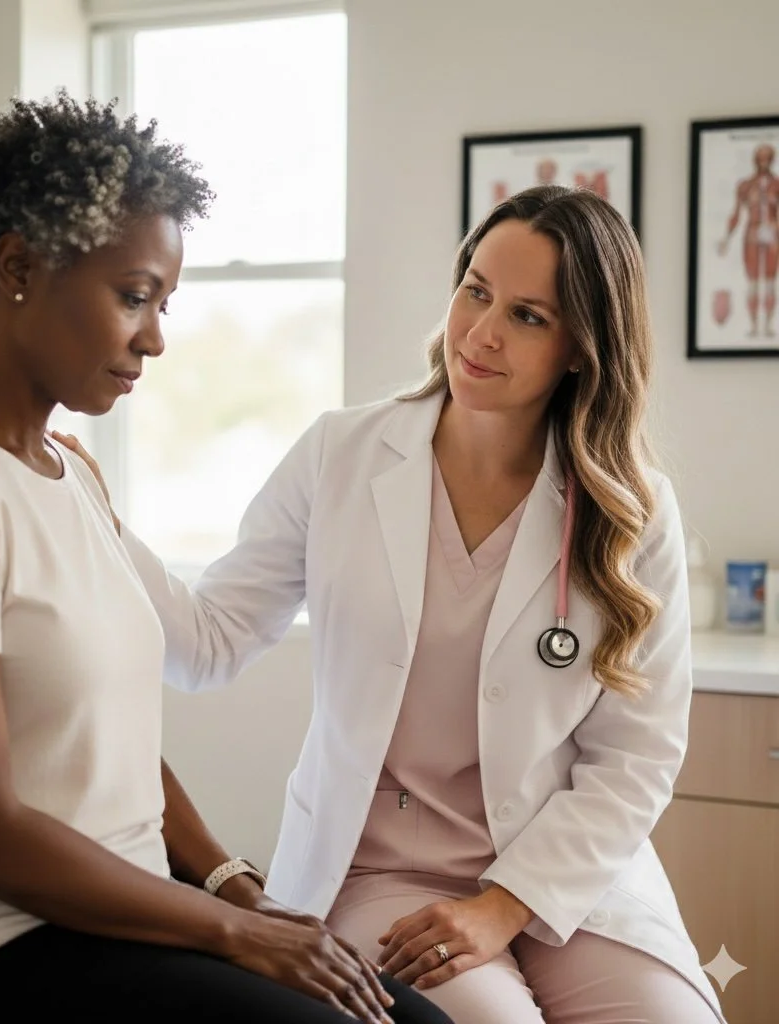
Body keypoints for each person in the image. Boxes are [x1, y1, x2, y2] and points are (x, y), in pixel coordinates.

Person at [0, 92, 455, 1024]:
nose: (154, 337)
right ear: (19, 267)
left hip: (95, 917)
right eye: (134, 296)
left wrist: (236, 886)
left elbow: (106, 748)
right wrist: (230, 934)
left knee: (416, 1022)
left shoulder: (66, 477)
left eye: (163, 302)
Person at [60, 185, 727, 1023]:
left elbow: (637, 758)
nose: (480, 333)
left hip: (570, 879)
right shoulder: (342, 455)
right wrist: (99, 519)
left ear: (581, 350)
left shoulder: (630, 508)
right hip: (382, 873)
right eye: (475, 290)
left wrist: (505, 906)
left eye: (527, 316)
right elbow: (206, 644)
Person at [717, 142, 779, 337]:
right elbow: (736, 214)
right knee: (753, 282)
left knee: (769, 282)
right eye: (760, 158)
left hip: (771, 234)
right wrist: (726, 238)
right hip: (752, 234)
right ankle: (753, 325)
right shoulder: (746, 186)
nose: (763, 162)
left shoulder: (776, 185)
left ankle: (767, 325)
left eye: (767, 158)